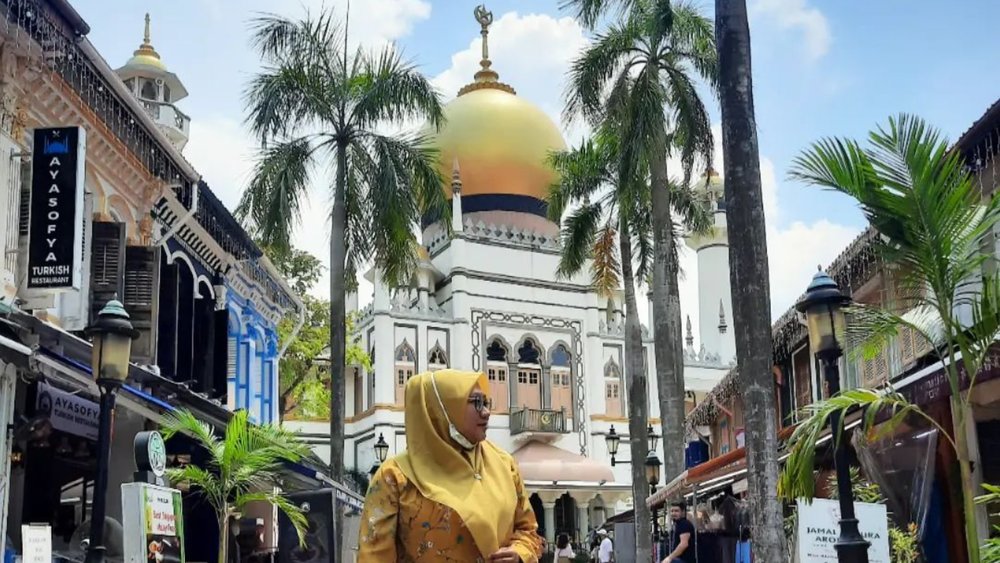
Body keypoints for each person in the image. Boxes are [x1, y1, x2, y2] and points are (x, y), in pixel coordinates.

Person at [357, 370, 544, 562]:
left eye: (486, 403)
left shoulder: (504, 464)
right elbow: (373, 556)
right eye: (476, 403)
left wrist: (520, 554)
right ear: (443, 409)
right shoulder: (395, 478)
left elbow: (529, 531)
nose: (486, 412)